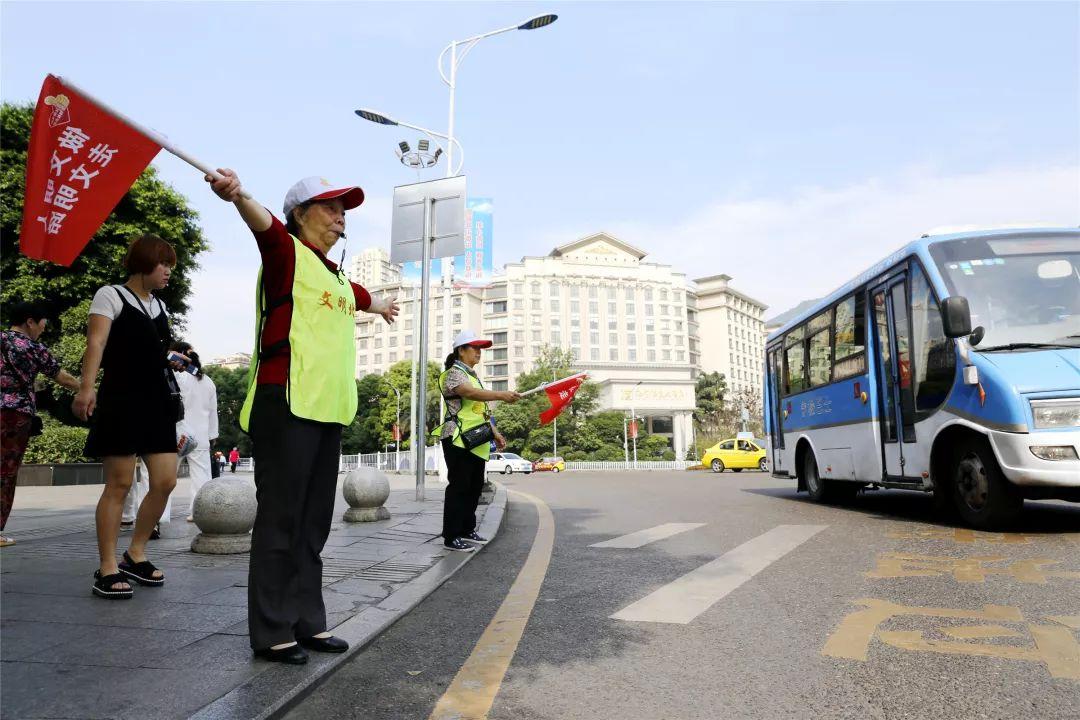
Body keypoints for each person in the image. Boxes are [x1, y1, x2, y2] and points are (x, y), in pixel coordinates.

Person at [207, 168, 398, 665]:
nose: (340, 218)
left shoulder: (333, 275)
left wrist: (381, 305)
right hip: (285, 404)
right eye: (330, 207)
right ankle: (272, 632)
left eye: (344, 211)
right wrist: (237, 194)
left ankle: (308, 622)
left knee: (313, 525)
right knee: (281, 521)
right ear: (299, 213)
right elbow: (262, 226)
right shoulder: (285, 252)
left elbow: (359, 296)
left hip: (326, 410)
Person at [73, 235, 188, 600]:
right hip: (121, 399)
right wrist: (86, 387)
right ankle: (107, 566)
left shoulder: (160, 306)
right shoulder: (111, 295)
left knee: (166, 481)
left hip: (156, 403)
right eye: (163, 263)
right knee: (120, 483)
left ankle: (135, 553)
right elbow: (97, 344)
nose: (168, 270)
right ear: (144, 263)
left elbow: (155, 352)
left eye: (171, 264)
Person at [1, 301, 81, 546]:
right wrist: (87, 389)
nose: (44, 329)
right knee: (6, 471)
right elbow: (62, 377)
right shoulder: (33, 348)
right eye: (42, 324)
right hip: (15, 416)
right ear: (30, 321)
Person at [434, 331, 520, 552]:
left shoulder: (472, 375)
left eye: (480, 348)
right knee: (459, 487)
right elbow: (470, 394)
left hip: (477, 439)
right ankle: (452, 536)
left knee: (474, 487)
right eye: (474, 348)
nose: (479, 352)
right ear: (461, 351)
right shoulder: (454, 373)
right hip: (458, 438)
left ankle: (467, 529)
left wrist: (496, 433)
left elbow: (480, 411)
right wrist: (501, 395)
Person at [169, 341, 219, 521]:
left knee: (164, 477)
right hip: (201, 435)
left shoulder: (176, 375)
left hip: (177, 434)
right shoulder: (208, 381)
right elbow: (213, 411)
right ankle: (199, 512)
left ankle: (158, 515)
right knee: (202, 477)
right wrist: (213, 435)